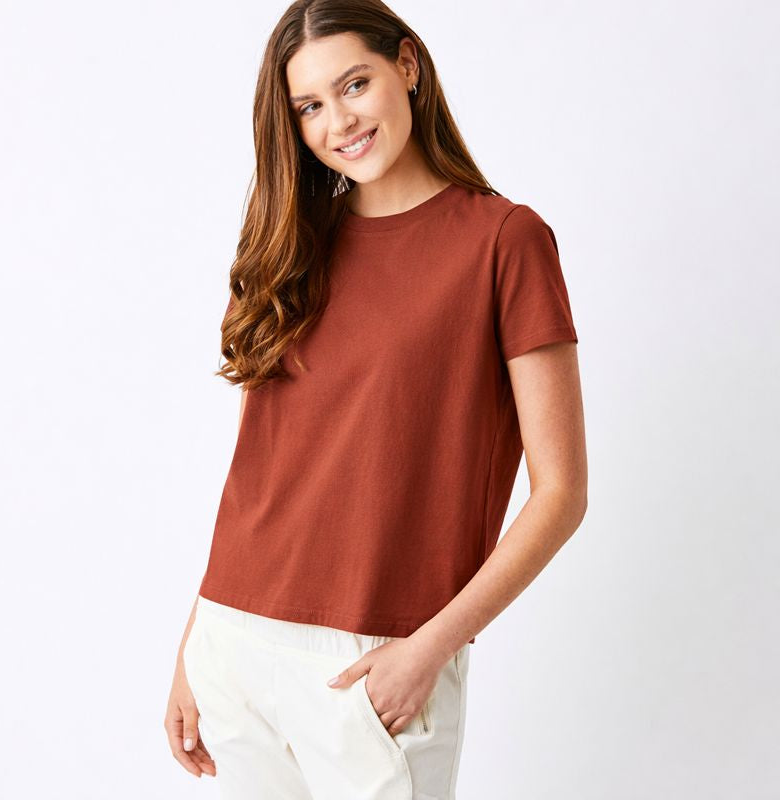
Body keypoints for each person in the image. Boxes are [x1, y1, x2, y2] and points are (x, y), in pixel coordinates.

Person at [163, 1, 587, 798]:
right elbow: (262, 470)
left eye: (354, 84)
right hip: (235, 644)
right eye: (309, 106)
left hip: (374, 660)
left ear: (408, 66)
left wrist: (431, 648)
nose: (339, 122)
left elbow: (561, 494)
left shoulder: (505, 241)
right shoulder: (288, 246)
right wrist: (199, 634)